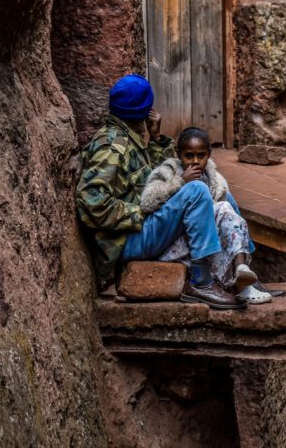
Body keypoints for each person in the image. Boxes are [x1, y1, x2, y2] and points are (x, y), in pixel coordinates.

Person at [75, 74, 244, 310]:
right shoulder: (112, 147)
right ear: (146, 110)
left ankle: (244, 269)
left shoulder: (128, 137)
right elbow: (91, 202)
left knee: (218, 189)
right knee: (195, 190)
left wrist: (155, 138)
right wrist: (141, 211)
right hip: (127, 241)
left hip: (142, 229)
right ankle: (201, 281)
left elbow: (149, 178)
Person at [140, 127, 285, 305]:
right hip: (174, 241)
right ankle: (231, 278)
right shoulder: (169, 170)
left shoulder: (212, 176)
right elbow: (148, 201)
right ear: (179, 155)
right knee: (221, 206)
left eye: (201, 156)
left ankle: (243, 271)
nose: (195, 162)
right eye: (189, 156)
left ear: (209, 154)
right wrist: (180, 182)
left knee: (227, 199)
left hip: (201, 240)